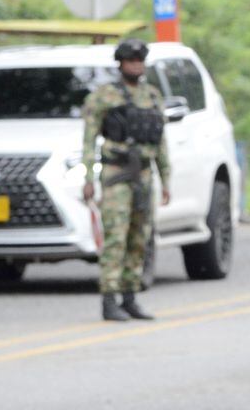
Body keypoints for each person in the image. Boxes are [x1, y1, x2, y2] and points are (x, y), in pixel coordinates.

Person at [81, 38, 171, 321]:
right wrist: (88, 177)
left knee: (139, 237)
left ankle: (130, 297)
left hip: (143, 174)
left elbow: (160, 142)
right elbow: (88, 139)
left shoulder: (153, 96)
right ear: (121, 64)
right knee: (116, 238)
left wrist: (166, 178)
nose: (136, 65)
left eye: (140, 61)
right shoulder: (104, 96)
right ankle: (109, 299)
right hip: (116, 174)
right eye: (131, 61)